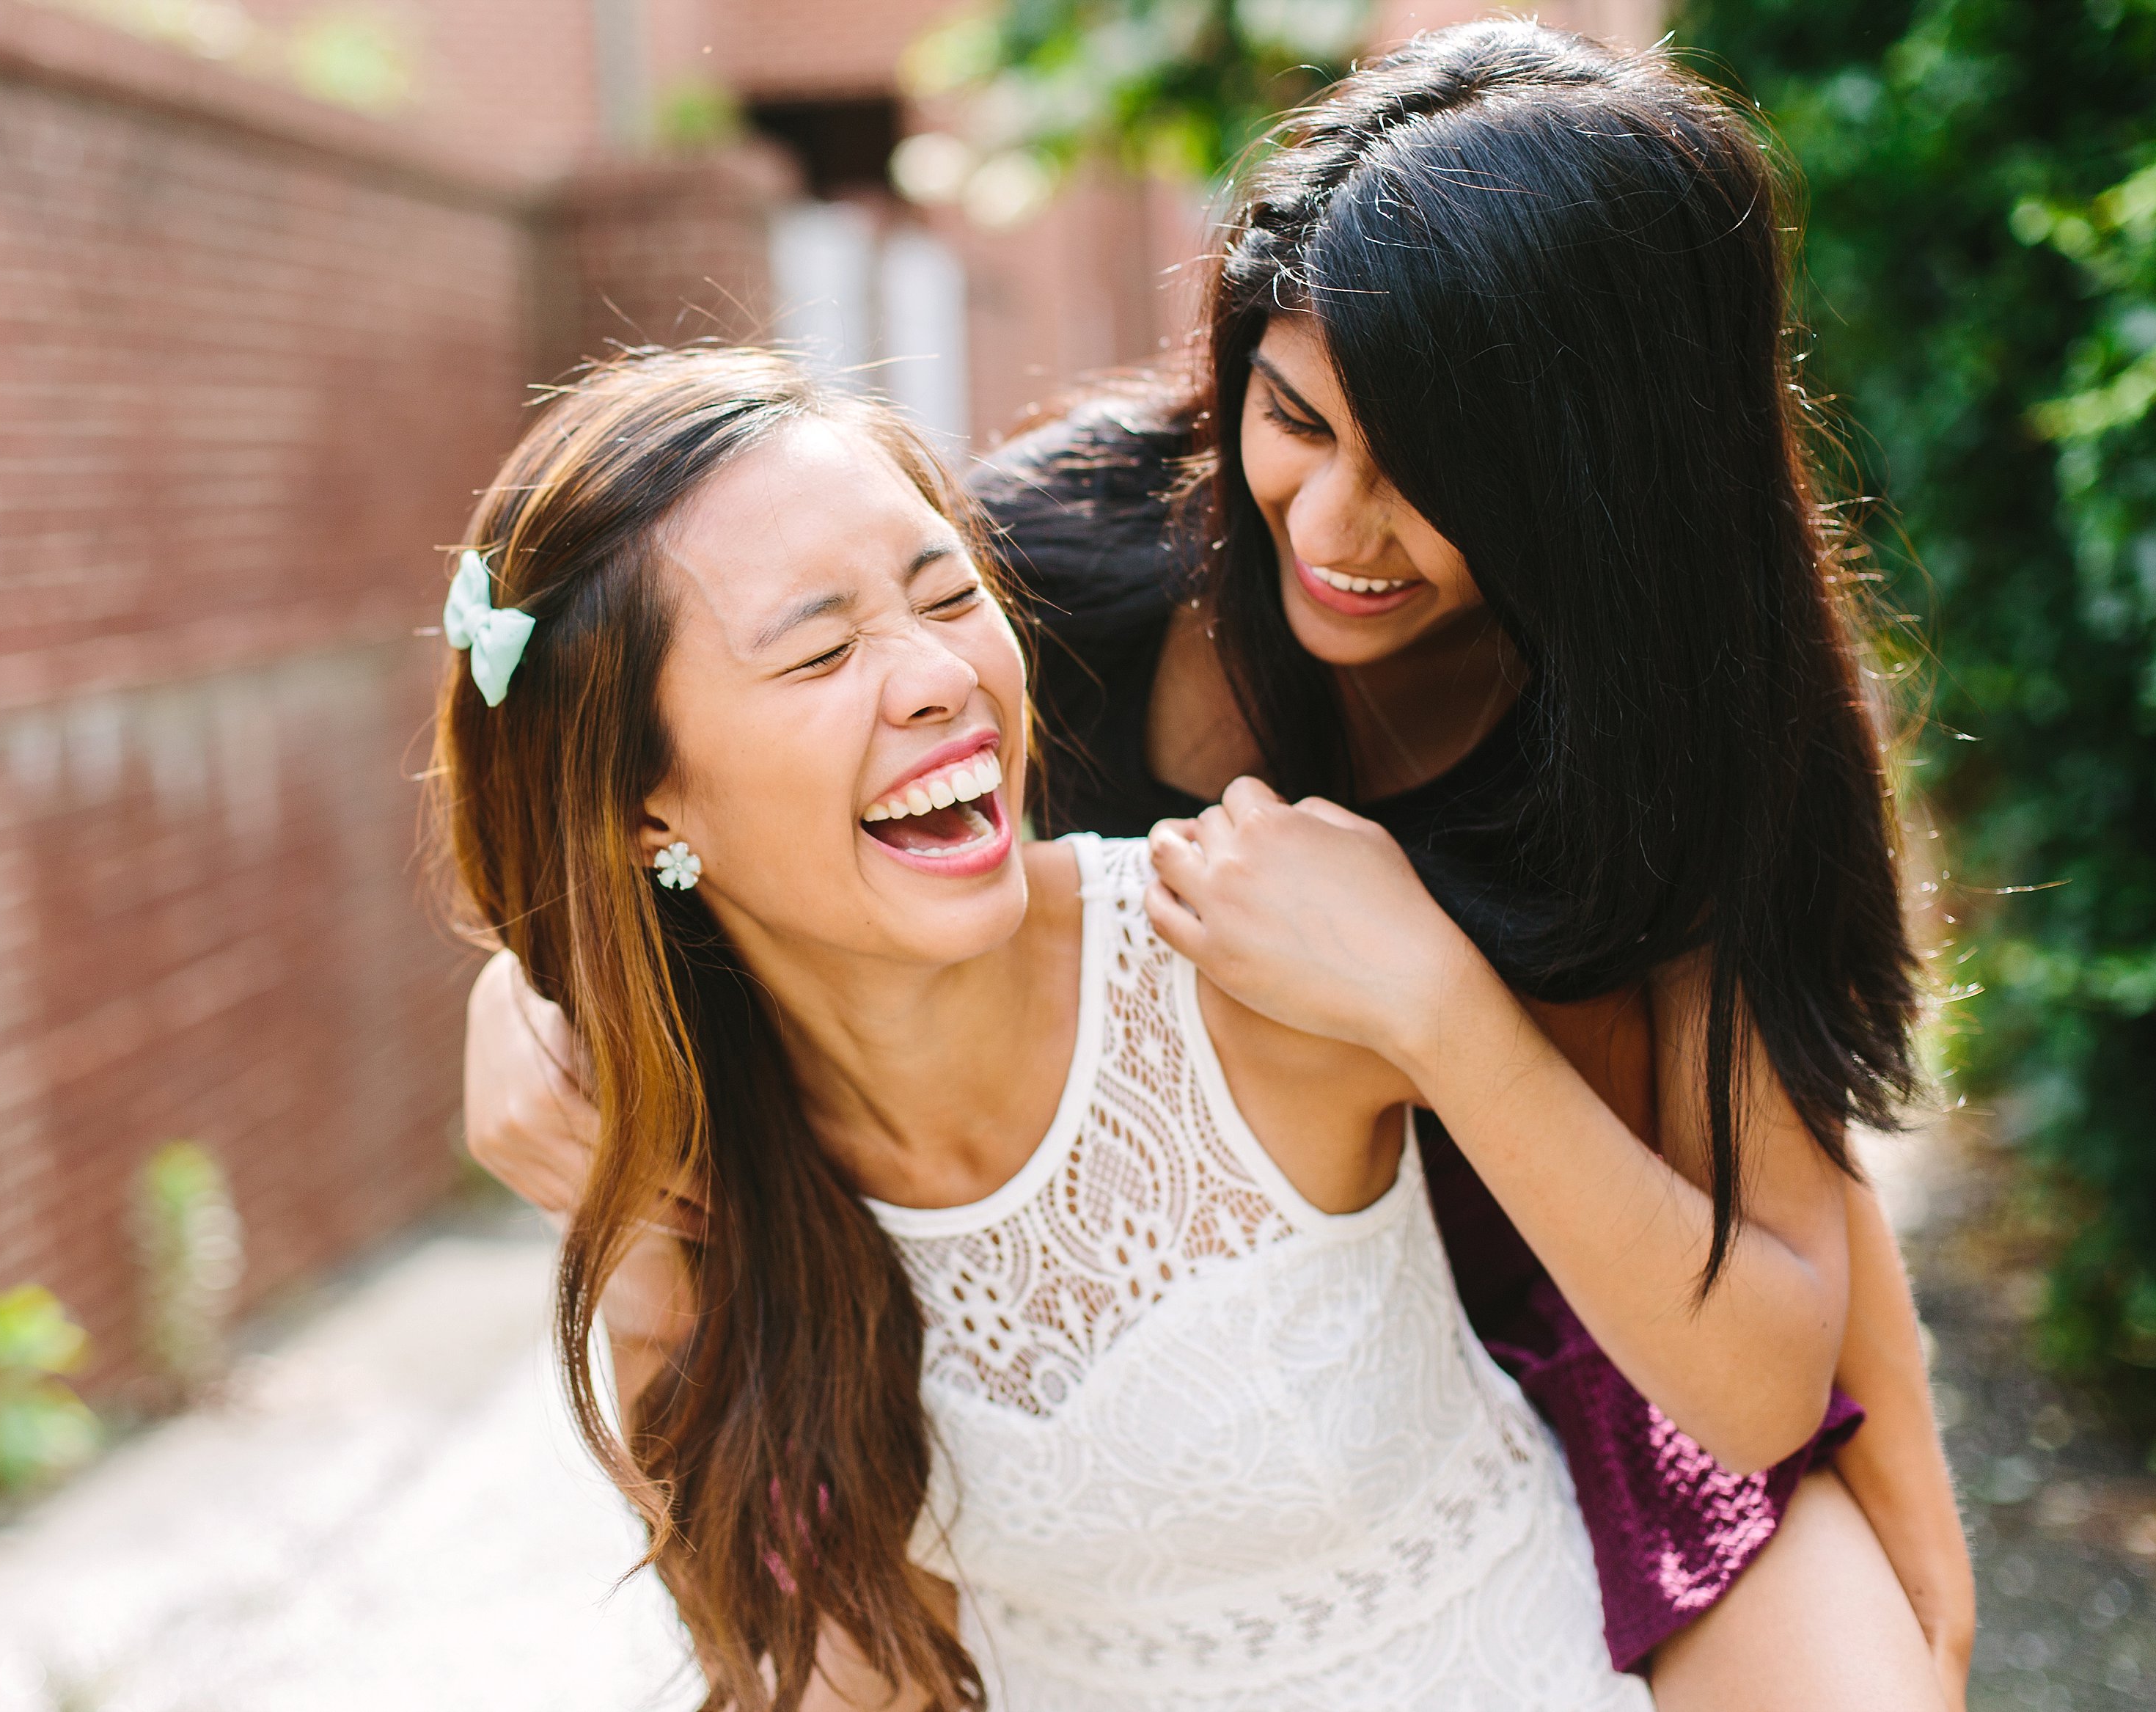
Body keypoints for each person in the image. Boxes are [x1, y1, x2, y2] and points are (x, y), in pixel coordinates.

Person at [464, 21, 1973, 1708]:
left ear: (1604, 486)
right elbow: (718, 725)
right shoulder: (1048, 572)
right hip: (1175, 1366)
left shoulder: (1688, 705)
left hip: (1587, 1318)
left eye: (1433, 476)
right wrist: (537, 980)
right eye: (1295, 419)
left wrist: (1897, 1472)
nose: (1331, 528)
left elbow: (1783, 1185)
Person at [436, 343, 1673, 1709]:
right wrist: (647, 1281)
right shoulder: (698, 1184)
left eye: (949, 593)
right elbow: (846, 1684)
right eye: (822, 649)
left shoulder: (1257, 953)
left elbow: (1731, 1273)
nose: (933, 679)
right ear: (642, 805)